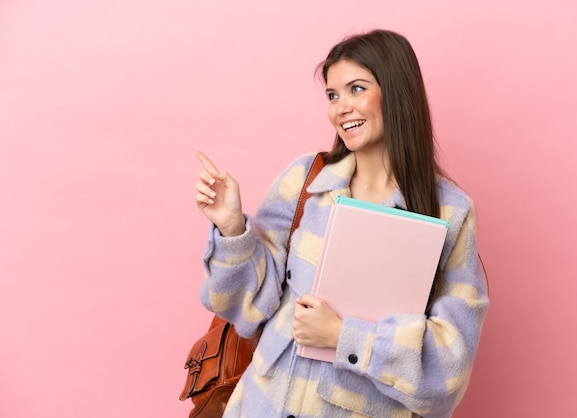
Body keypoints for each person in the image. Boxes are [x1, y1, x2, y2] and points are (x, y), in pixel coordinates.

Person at [194, 29, 489, 418]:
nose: (340, 108)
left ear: (397, 92)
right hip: (261, 406)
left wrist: (342, 337)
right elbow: (246, 308)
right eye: (332, 95)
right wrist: (232, 229)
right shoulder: (306, 181)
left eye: (356, 89)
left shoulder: (450, 211)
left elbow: (449, 367)